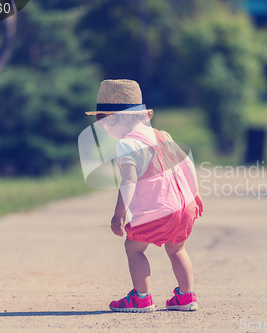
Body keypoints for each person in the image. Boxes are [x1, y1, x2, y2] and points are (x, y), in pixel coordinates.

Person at [86, 79, 204, 313]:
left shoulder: (128, 145)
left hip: (158, 211)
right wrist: (195, 194)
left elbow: (128, 181)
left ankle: (141, 297)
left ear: (121, 119)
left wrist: (119, 214)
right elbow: (188, 163)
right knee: (177, 249)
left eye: (105, 124)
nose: (104, 130)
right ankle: (186, 296)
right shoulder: (163, 135)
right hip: (184, 206)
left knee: (134, 247)